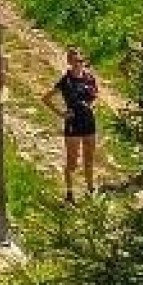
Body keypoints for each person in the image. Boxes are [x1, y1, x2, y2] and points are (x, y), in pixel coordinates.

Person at [55, 47, 99, 202]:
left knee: (89, 159)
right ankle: (69, 193)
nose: (79, 64)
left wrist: (93, 106)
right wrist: (61, 113)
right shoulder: (66, 80)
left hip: (89, 123)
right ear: (69, 62)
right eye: (75, 61)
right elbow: (46, 98)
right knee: (72, 161)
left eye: (81, 61)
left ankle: (90, 190)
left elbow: (95, 96)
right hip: (73, 124)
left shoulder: (89, 78)